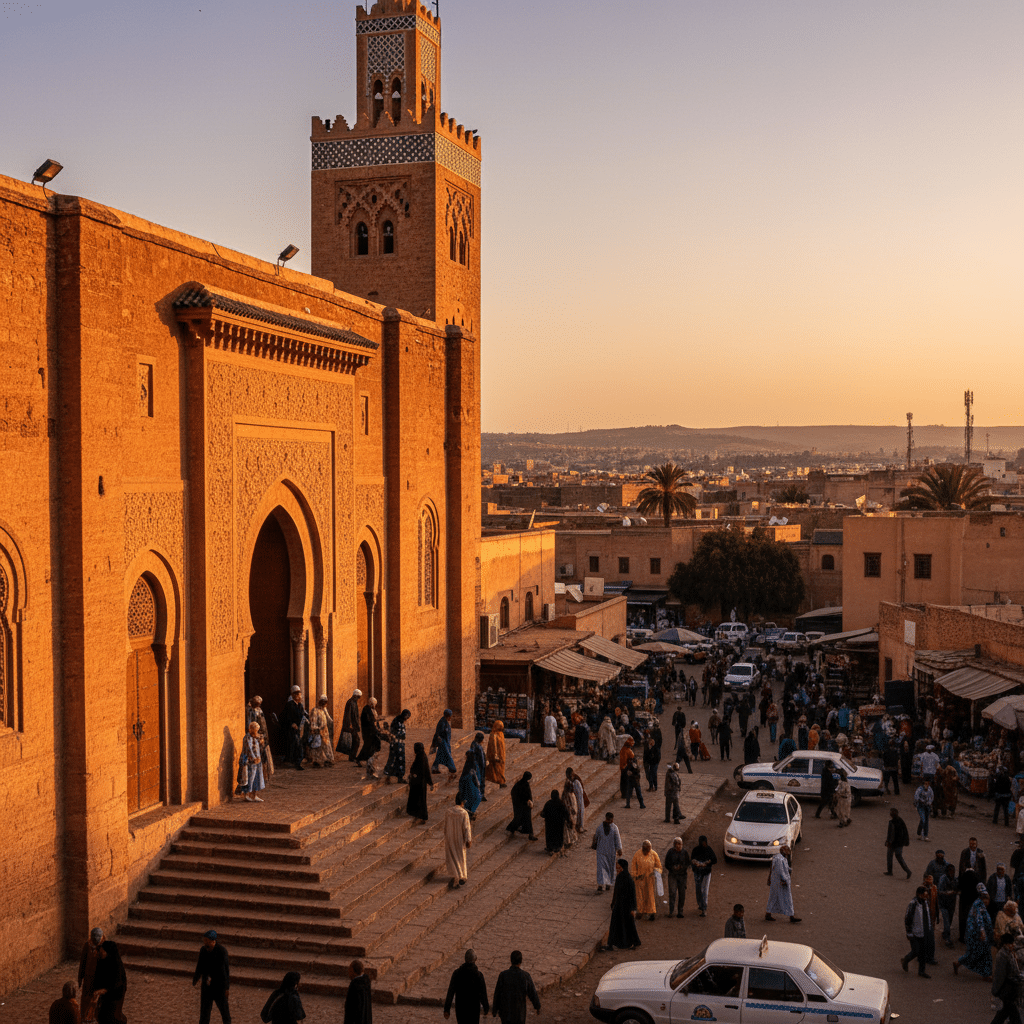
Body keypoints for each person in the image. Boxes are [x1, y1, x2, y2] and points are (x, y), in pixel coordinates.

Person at [79, 927, 126, 1024]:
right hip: (90, 979)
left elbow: (115, 983)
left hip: (112, 994)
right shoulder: (89, 946)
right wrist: (80, 976)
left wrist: (103, 990)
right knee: (88, 1001)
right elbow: (83, 962)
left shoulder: (110, 957)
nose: (99, 952)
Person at [601, 859, 641, 951]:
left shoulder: (628, 879)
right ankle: (611, 944)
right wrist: (613, 902)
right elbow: (616, 891)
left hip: (627, 906)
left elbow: (633, 895)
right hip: (619, 905)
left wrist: (633, 908)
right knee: (615, 924)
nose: (617, 869)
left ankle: (632, 943)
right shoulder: (620, 877)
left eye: (618, 867)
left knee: (629, 925)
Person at [193, 929, 230, 1024]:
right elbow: (199, 965)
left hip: (219, 986)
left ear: (213, 942)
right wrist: (196, 978)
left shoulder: (222, 951)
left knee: (224, 1012)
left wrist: (226, 988)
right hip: (207, 986)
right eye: (204, 941)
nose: (205, 943)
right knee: (204, 1013)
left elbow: (225, 971)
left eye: (207, 941)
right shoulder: (203, 950)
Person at [956, 886, 994, 980]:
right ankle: (958, 963)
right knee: (977, 953)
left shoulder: (981, 904)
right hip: (976, 934)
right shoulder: (978, 905)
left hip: (982, 934)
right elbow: (979, 920)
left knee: (984, 953)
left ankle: (986, 974)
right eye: (986, 897)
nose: (987, 900)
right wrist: (982, 932)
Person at [491, 950, 540, 1022]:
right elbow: (532, 993)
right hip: (519, 1013)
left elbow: (497, 994)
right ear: (521, 961)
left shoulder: (503, 975)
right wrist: (537, 1006)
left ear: (511, 960)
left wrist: (495, 1010)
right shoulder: (525, 976)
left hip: (506, 1013)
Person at [444, 950, 489, 1024]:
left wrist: (447, 1009)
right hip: (474, 1008)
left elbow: (450, 992)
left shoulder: (457, 973)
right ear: (475, 959)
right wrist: (486, 1007)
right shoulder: (478, 975)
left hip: (461, 1008)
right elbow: (483, 993)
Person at [902, 886, 935, 978]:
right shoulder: (913, 904)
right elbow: (908, 919)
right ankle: (906, 960)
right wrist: (909, 933)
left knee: (923, 952)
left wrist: (930, 927)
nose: (926, 897)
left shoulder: (925, 902)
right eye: (924, 895)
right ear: (919, 894)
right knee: (916, 951)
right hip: (915, 932)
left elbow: (928, 916)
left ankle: (921, 971)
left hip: (924, 931)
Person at [959, 839, 988, 942]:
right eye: (971, 844)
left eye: (974, 844)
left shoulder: (980, 853)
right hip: (967, 883)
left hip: (976, 882)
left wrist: (983, 883)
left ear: (977, 844)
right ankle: (963, 935)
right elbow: (961, 866)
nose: (972, 845)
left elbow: (984, 868)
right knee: (964, 912)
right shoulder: (964, 852)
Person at [991, 933, 1023, 1024]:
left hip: (1010, 990)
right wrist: (995, 990)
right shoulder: (1002, 955)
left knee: (1003, 1015)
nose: (1013, 945)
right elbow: (1000, 975)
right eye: (1011, 943)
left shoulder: (1008, 953)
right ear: (1005, 944)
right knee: (1012, 1015)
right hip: (1007, 990)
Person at [765, 845, 801, 923]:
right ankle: (791, 916)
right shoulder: (779, 859)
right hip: (779, 882)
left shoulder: (779, 858)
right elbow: (780, 871)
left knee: (773, 897)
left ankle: (769, 913)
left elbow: (775, 869)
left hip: (777, 881)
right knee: (786, 898)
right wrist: (784, 879)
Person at [444, 794, 473, 888]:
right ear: (462, 802)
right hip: (460, 838)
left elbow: (445, 826)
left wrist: (446, 836)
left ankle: (457, 877)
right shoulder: (464, 813)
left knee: (453, 857)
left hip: (450, 836)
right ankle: (461, 876)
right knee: (460, 857)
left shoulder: (448, 812)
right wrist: (468, 840)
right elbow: (467, 828)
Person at [631, 840, 662, 921]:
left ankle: (651, 913)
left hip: (650, 880)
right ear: (642, 848)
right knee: (640, 897)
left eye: (648, 849)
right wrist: (636, 875)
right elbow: (633, 867)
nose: (646, 851)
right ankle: (640, 911)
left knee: (650, 897)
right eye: (645, 849)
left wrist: (656, 871)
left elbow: (659, 867)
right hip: (640, 879)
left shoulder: (654, 854)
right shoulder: (637, 854)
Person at [247, 695, 275, 782]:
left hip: (262, 735)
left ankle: (264, 775)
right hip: (255, 736)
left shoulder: (259, 710)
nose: (258, 705)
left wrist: (263, 735)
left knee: (264, 755)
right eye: (257, 703)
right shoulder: (250, 711)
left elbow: (263, 724)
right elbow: (250, 723)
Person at [236, 720, 266, 802]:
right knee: (249, 778)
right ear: (251, 729)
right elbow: (249, 749)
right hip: (250, 761)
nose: (256, 732)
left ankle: (254, 795)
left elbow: (260, 747)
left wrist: (261, 741)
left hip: (257, 761)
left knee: (257, 778)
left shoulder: (256, 737)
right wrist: (254, 758)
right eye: (255, 730)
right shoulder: (247, 737)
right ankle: (246, 795)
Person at [593, 812, 622, 892]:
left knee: (607, 868)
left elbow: (617, 839)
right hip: (604, 851)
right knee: (603, 868)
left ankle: (606, 884)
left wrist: (619, 848)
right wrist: (619, 849)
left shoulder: (602, 827)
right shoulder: (613, 828)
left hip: (607, 851)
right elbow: (617, 839)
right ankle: (602, 884)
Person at [691, 835, 717, 918]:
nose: (704, 844)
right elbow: (691, 860)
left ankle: (704, 908)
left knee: (704, 891)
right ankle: (700, 904)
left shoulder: (709, 850)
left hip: (706, 873)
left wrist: (708, 862)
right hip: (697, 873)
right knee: (698, 890)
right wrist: (696, 863)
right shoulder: (695, 850)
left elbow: (714, 860)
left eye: (704, 842)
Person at [406, 742, 433, 823]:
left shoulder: (421, 757)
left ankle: (420, 816)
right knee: (420, 800)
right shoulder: (422, 756)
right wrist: (430, 782)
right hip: (420, 782)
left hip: (418, 783)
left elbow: (423, 770)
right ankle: (421, 816)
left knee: (419, 800)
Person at [506, 772, 537, 841]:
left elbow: (513, 792)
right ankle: (530, 834)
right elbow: (528, 795)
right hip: (524, 805)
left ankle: (512, 828)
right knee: (526, 819)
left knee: (519, 818)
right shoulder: (525, 785)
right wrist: (529, 802)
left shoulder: (518, 784)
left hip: (519, 805)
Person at [281, 686, 307, 770]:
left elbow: (302, 715)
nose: (299, 696)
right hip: (292, 730)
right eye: (297, 695)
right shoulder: (289, 705)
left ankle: (297, 761)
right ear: (293, 695)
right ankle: (297, 763)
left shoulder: (300, 705)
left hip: (300, 728)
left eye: (299, 694)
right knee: (296, 745)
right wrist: (292, 723)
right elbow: (285, 717)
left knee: (299, 745)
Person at [383, 709, 412, 783]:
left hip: (401, 744)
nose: (406, 719)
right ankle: (388, 777)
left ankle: (400, 777)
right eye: (407, 716)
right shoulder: (396, 721)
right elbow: (393, 733)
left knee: (401, 760)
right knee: (393, 759)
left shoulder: (401, 722)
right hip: (395, 744)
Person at [664, 837, 690, 919]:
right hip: (673, 875)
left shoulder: (685, 853)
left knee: (682, 893)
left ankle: (680, 911)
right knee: (672, 893)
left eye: (680, 844)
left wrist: (681, 867)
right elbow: (666, 864)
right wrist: (673, 868)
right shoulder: (670, 852)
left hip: (682, 876)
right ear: (674, 845)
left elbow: (687, 864)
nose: (679, 846)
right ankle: (671, 911)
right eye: (677, 844)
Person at [355, 698, 381, 778]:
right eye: (374, 704)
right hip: (368, 732)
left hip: (371, 731)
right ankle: (361, 759)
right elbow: (369, 721)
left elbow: (374, 720)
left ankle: (363, 759)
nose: (374, 706)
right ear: (371, 703)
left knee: (369, 746)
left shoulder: (371, 709)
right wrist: (375, 728)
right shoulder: (366, 710)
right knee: (368, 746)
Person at [540, 788, 570, 856]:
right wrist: (568, 820)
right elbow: (566, 813)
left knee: (550, 836)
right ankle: (558, 847)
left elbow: (543, 814)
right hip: (559, 823)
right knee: (559, 835)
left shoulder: (548, 803)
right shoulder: (561, 803)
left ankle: (550, 848)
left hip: (550, 824)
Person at [307, 695, 334, 767]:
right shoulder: (315, 710)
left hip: (324, 732)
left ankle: (328, 760)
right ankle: (317, 761)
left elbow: (328, 720)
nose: (324, 705)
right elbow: (313, 722)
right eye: (323, 703)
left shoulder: (323, 711)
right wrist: (317, 729)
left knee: (326, 746)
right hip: (318, 732)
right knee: (317, 747)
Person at [885, 808, 912, 879]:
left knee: (891, 856)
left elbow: (890, 834)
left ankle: (890, 871)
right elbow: (905, 832)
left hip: (895, 843)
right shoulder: (900, 821)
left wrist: (888, 842)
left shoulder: (892, 822)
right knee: (897, 857)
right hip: (899, 843)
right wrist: (906, 842)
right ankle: (907, 871)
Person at [937, 862, 958, 949]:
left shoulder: (955, 879)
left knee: (949, 920)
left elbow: (957, 889)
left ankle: (945, 933)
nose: (951, 873)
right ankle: (947, 939)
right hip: (944, 904)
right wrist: (947, 893)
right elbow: (939, 891)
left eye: (953, 871)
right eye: (950, 871)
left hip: (951, 904)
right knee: (946, 921)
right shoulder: (943, 879)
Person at [343, 960, 371, 1024]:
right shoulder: (366, 982)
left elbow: (351, 1008)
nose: (348, 972)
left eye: (349, 970)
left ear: (353, 971)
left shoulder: (354, 985)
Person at [432, 709, 457, 777]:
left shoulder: (444, 721)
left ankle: (434, 768)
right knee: (447, 754)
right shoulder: (442, 723)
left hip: (445, 742)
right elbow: (439, 733)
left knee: (439, 756)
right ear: (448, 716)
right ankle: (452, 768)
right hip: (443, 742)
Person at [338, 688, 361, 760]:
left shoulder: (353, 702)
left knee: (355, 741)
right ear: (355, 696)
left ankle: (352, 756)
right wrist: (349, 725)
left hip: (353, 726)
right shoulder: (350, 702)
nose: (358, 699)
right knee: (356, 741)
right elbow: (348, 715)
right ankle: (352, 756)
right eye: (358, 697)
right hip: (351, 726)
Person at [458, 751, 483, 819]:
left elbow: (464, 777)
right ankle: (471, 813)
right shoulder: (474, 764)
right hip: (471, 785)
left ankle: (470, 813)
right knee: (475, 798)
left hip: (469, 785)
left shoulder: (469, 765)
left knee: (472, 799)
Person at [622, 744, 645, 810]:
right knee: (629, 792)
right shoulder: (629, 761)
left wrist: (631, 772)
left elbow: (637, 770)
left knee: (637, 792)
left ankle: (641, 804)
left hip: (634, 779)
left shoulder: (633, 761)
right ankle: (628, 804)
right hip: (631, 779)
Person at [486, 721, 507, 787]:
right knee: (497, 768)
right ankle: (500, 781)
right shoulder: (493, 734)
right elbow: (493, 745)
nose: (501, 727)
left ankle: (500, 780)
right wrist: (495, 755)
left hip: (502, 754)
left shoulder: (501, 734)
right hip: (496, 755)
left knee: (501, 767)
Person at [566, 767, 587, 834]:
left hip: (578, 798)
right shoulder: (570, 781)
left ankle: (580, 827)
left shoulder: (576, 781)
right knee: (577, 812)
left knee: (580, 811)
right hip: (574, 799)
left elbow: (580, 790)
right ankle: (578, 827)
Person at [560, 778, 578, 850]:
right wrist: (570, 811)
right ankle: (568, 841)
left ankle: (571, 840)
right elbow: (566, 805)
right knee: (568, 827)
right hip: (568, 813)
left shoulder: (570, 794)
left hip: (572, 813)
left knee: (571, 827)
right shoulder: (566, 794)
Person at [470, 732, 488, 800]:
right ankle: (479, 795)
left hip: (481, 766)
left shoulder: (477, 745)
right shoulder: (475, 746)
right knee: (478, 781)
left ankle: (481, 794)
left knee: (481, 780)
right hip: (478, 766)